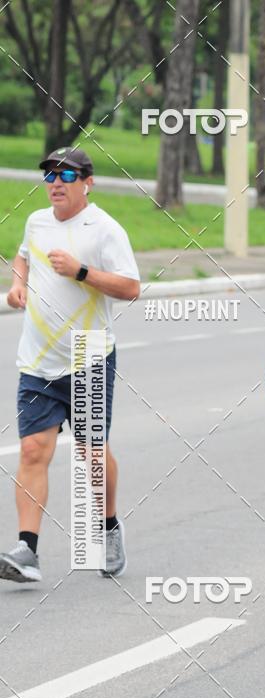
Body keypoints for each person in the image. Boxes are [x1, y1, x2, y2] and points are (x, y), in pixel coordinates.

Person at [0, 147, 140, 584]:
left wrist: (81, 271)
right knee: (32, 450)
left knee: (91, 456)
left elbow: (131, 287)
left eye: (66, 174)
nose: (55, 182)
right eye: (49, 175)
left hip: (89, 356)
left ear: (87, 182)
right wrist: (17, 284)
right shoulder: (37, 222)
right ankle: (27, 550)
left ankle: (109, 526)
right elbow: (23, 254)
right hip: (38, 360)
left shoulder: (105, 230)